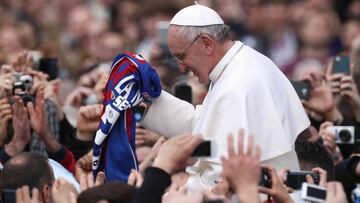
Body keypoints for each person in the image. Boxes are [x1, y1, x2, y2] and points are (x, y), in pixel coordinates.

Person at [141, 3, 310, 191]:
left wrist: (170, 191)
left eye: (182, 56)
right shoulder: (241, 63)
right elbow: (204, 125)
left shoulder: (237, 84)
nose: (181, 67)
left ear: (206, 43)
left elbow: (219, 178)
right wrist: (148, 100)